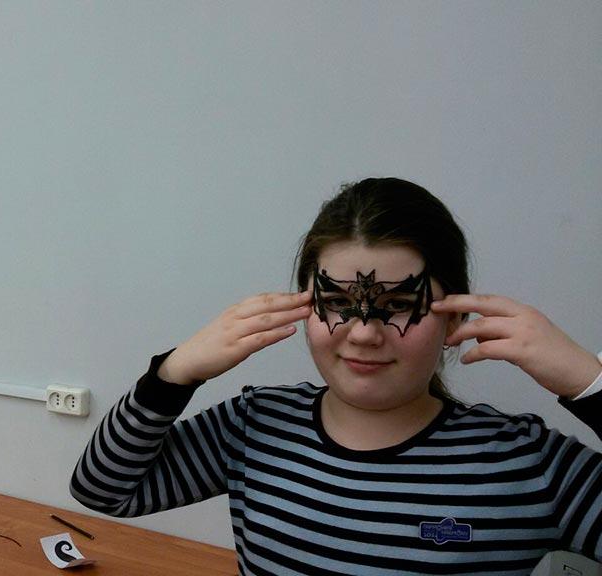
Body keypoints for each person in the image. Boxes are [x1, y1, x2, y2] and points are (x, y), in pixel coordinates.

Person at [70, 177, 602, 575]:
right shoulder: (254, 424)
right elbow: (103, 490)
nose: (364, 333)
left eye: (399, 305)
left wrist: (592, 384)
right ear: (305, 305)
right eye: (338, 303)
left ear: (455, 317)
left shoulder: (526, 462)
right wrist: (173, 374)